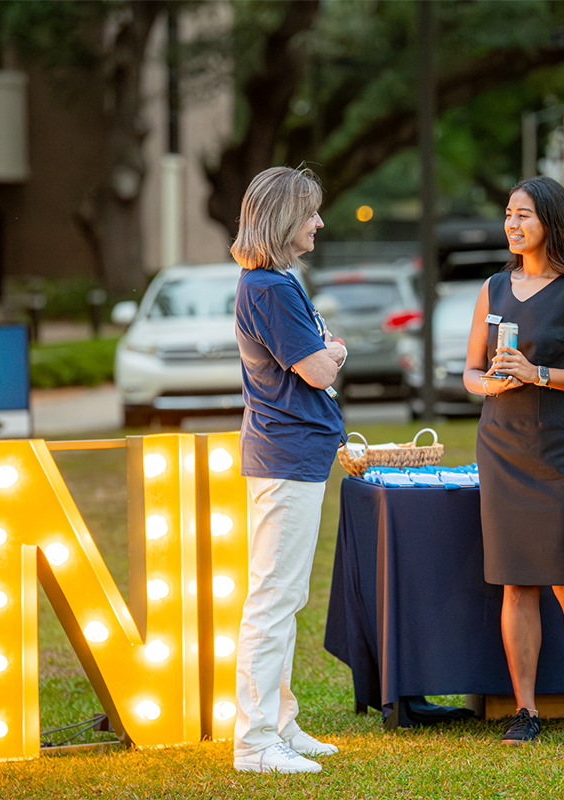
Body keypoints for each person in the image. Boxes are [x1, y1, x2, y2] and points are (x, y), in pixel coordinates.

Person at [463, 176, 564, 747]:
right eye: (508, 214)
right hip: (503, 447)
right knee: (516, 584)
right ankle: (525, 711)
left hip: (562, 449)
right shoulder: (493, 287)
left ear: (551, 222)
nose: (512, 224)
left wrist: (540, 375)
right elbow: (469, 372)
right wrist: (490, 385)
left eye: (523, 215)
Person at [229, 166, 347, 774]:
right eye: (310, 213)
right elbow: (320, 370)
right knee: (274, 599)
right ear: (282, 218)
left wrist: (324, 350)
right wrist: (331, 351)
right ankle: (254, 743)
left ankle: (281, 723)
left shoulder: (275, 282)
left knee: (285, 594)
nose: (319, 223)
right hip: (286, 456)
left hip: (290, 454)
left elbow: (315, 358)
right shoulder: (270, 288)